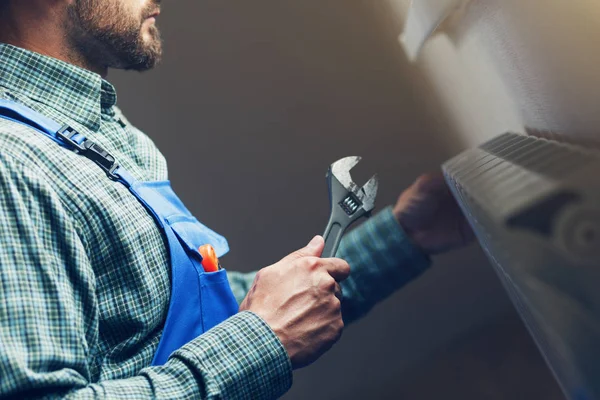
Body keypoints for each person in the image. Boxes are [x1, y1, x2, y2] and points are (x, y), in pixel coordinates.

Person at [0, 0, 473, 398]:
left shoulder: (99, 127)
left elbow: (190, 317)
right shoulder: (11, 165)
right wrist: (262, 341)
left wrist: (405, 235)